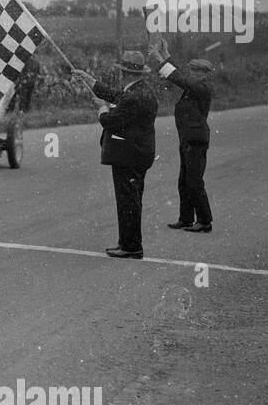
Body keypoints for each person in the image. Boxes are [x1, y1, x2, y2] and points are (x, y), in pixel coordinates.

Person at [74, 50, 158, 259]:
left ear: (126, 73)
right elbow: (115, 95)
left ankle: (131, 246)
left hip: (129, 156)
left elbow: (111, 121)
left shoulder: (134, 96)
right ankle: (128, 243)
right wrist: (90, 81)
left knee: (127, 201)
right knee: (130, 199)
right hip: (137, 154)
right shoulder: (140, 90)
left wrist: (102, 109)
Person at [148, 40, 214, 233]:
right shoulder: (196, 84)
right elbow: (181, 75)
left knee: (193, 181)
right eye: (192, 70)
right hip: (188, 138)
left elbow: (179, 78)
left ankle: (204, 221)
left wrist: (160, 60)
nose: (191, 73)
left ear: (203, 74)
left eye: (195, 71)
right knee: (184, 181)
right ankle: (186, 218)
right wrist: (167, 55)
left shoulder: (202, 88)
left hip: (195, 140)